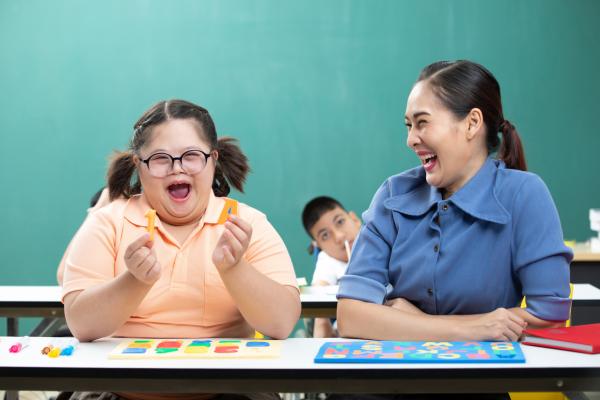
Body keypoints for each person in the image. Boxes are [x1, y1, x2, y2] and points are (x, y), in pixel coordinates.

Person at [337, 60, 572, 343]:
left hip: (476, 381)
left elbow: (549, 319)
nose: (411, 140)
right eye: (409, 126)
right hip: (386, 378)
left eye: (422, 122)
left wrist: (414, 322)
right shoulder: (392, 195)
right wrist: (468, 328)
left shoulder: (524, 194)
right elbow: (350, 315)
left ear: (472, 123)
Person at [62, 99, 300, 347]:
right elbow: (80, 324)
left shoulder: (247, 224)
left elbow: (281, 323)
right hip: (120, 383)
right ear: (139, 167)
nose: (177, 168)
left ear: (213, 160)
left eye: (191, 156)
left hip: (229, 383)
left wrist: (234, 268)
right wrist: (134, 280)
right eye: (160, 158)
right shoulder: (108, 223)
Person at [301, 196, 361, 337]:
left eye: (340, 222)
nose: (339, 236)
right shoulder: (328, 261)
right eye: (325, 235)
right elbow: (318, 290)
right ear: (318, 245)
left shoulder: (380, 243)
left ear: (355, 220)